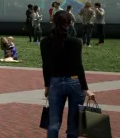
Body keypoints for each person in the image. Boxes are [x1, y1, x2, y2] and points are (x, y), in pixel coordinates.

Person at [41, 9, 96, 138]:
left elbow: (46, 66)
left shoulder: (45, 42)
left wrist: (47, 86)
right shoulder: (76, 42)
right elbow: (78, 66)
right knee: (74, 124)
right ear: (69, 23)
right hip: (74, 81)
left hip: (55, 82)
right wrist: (85, 88)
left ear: (53, 22)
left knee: (53, 123)